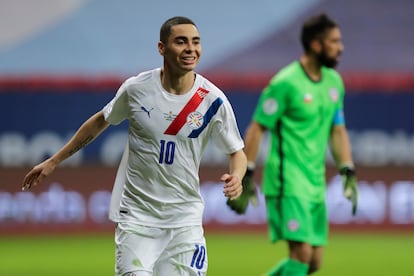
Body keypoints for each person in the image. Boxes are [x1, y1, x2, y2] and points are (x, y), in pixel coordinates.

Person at [22, 16, 247, 276]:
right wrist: (53, 161)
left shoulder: (213, 100)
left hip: (185, 222)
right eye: (181, 41)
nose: (190, 49)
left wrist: (237, 176)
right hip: (137, 221)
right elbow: (100, 121)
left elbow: (236, 151)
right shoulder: (137, 89)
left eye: (196, 42)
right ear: (162, 48)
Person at [227, 13, 358, 275]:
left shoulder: (334, 83)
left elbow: (338, 130)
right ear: (316, 44)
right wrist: (248, 173)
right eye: (334, 41)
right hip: (287, 180)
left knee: (313, 262)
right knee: (301, 255)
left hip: (314, 181)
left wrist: (347, 168)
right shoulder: (285, 82)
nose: (340, 47)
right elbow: (257, 128)